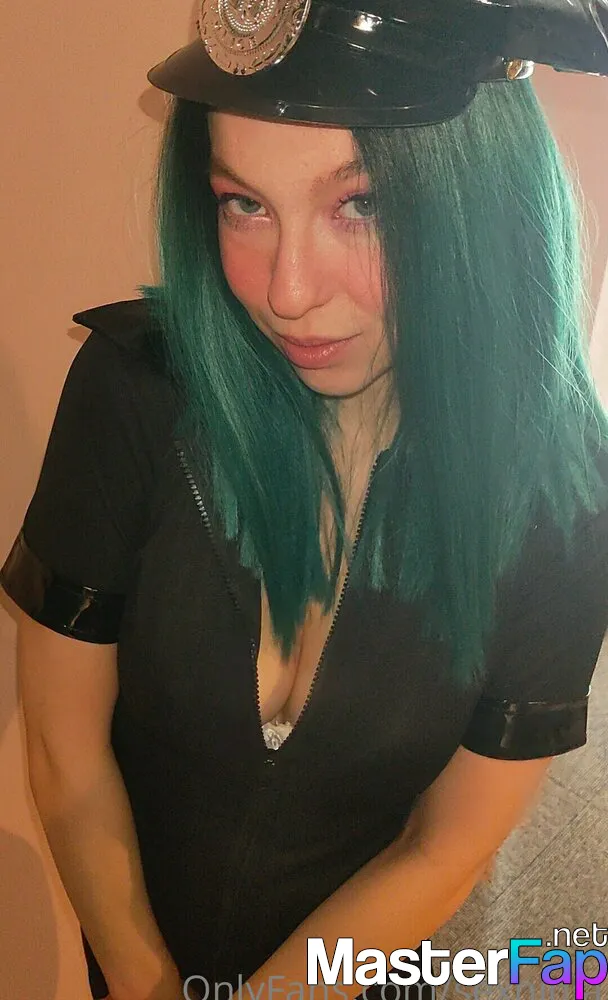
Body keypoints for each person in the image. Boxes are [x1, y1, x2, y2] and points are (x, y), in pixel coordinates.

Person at [3, 2, 608, 998]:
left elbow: (443, 845)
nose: (286, 291)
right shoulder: (133, 395)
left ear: (481, 199)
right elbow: (63, 754)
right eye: (244, 203)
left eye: (360, 204)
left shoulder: (566, 498)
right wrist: (148, 981)